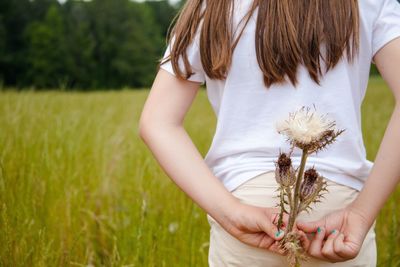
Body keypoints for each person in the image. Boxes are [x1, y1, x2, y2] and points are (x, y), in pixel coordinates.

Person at [138, 0, 400, 266]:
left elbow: (157, 122)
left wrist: (231, 213)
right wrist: (361, 215)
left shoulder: (212, 6)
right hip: (339, 220)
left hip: (248, 214)